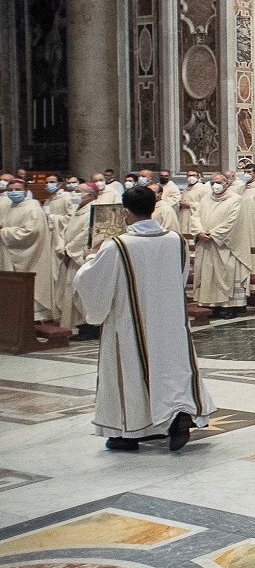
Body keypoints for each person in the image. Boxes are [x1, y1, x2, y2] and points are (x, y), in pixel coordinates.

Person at [75, 186, 214, 451]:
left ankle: (128, 433)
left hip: (129, 321)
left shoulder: (117, 245)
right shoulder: (177, 240)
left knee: (131, 370)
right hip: (170, 320)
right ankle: (175, 415)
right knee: (170, 369)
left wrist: (89, 258)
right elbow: (181, 277)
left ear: (125, 212)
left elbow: (91, 280)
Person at [188, 173, 249, 317]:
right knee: (208, 274)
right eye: (213, 182)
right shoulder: (205, 199)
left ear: (226, 183)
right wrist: (199, 232)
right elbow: (195, 217)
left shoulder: (236, 200)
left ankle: (229, 306)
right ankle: (210, 305)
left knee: (226, 272)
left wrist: (213, 234)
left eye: (219, 182)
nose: (215, 185)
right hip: (206, 244)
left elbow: (233, 221)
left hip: (225, 246)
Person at [0, 177, 55, 321]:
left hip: (30, 255)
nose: (13, 193)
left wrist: (4, 232)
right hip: (11, 252)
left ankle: (34, 318)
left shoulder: (32, 207)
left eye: (17, 190)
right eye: (10, 190)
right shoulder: (10, 206)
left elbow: (31, 232)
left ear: (25, 191)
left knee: (31, 288)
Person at [49, 183, 99, 334]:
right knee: (68, 291)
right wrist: (62, 247)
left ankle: (86, 325)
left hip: (80, 257)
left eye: (78, 191)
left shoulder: (94, 209)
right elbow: (65, 229)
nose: (74, 194)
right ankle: (74, 325)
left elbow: (86, 233)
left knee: (78, 291)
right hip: (70, 256)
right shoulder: (78, 209)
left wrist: (69, 249)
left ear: (89, 195)